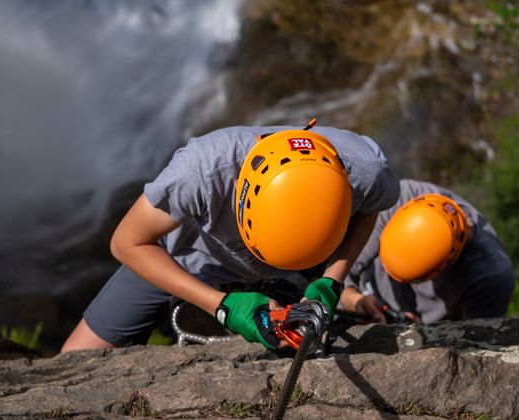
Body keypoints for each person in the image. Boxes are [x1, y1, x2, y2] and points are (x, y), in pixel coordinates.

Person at [61, 120, 400, 352]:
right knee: (77, 357)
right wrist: (221, 307)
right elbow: (126, 243)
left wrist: (331, 280)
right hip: (189, 259)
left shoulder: (365, 169)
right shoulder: (200, 171)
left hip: (299, 271)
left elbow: (370, 209)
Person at [340, 179, 515, 324]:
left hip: (425, 329)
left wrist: (423, 333)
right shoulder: (399, 199)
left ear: (443, 268)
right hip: (362, 293)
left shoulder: (490, 278)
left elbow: (472, 346)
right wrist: (355, 300)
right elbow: (340, 271)